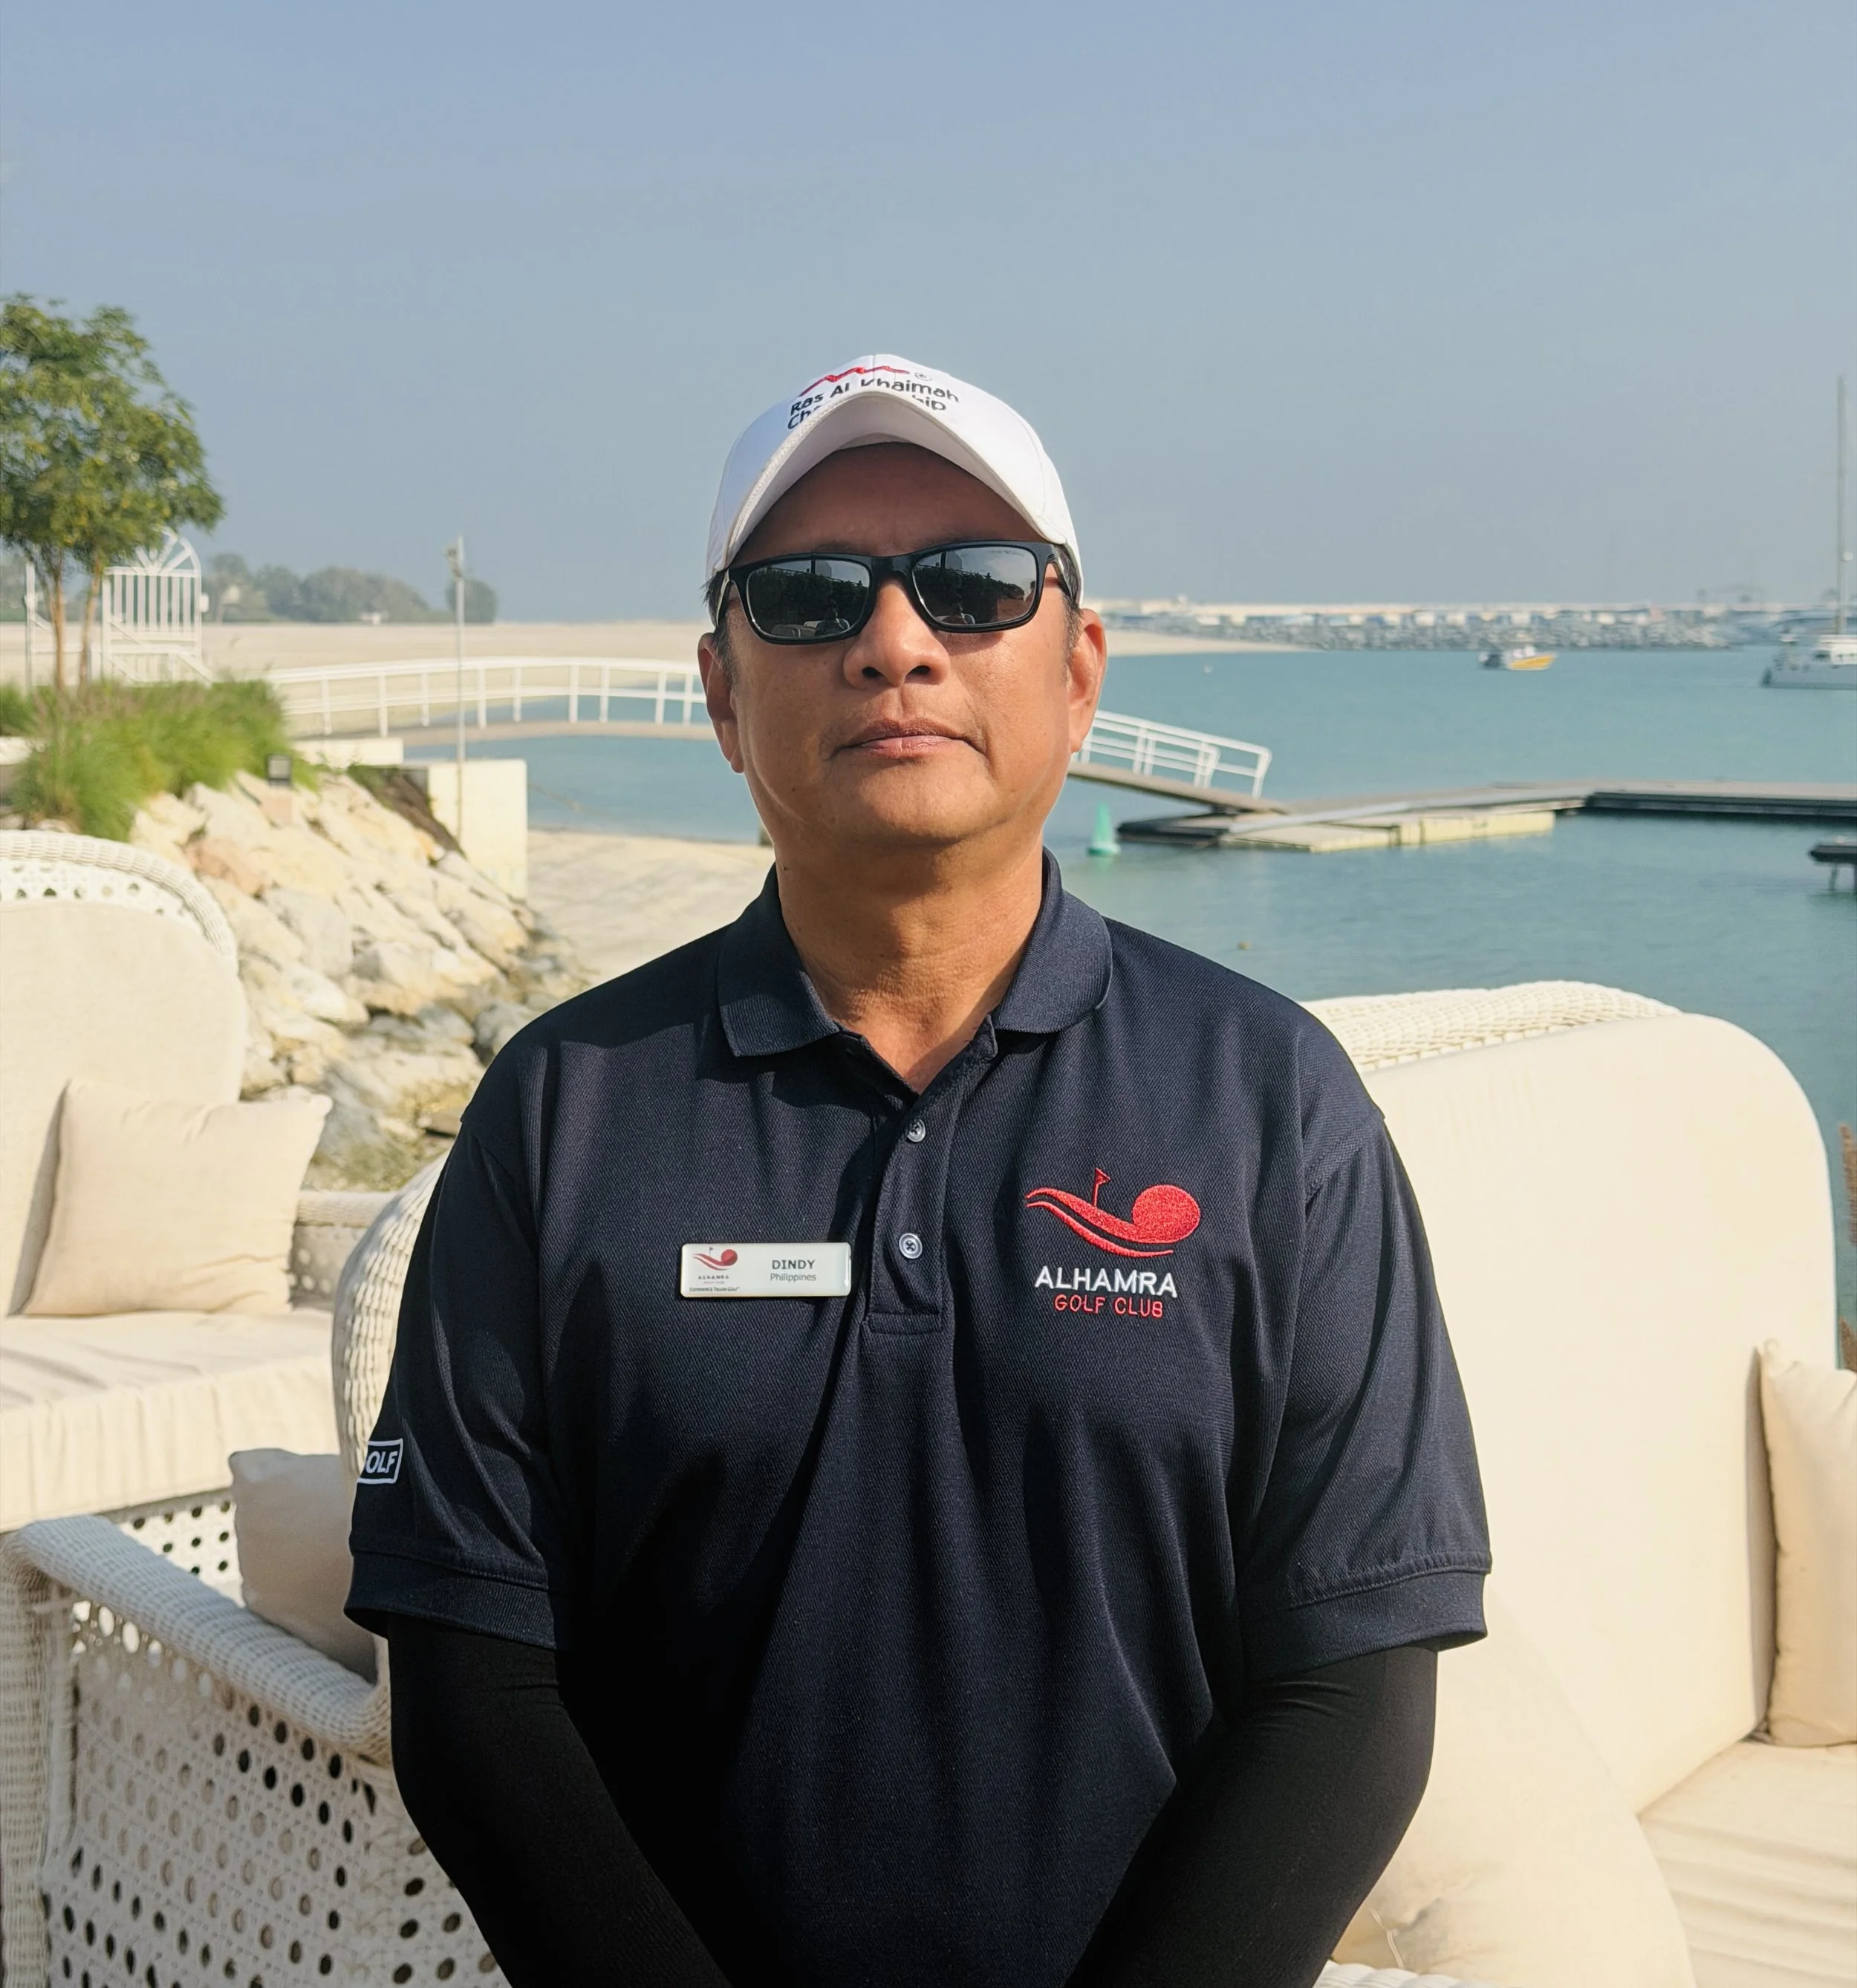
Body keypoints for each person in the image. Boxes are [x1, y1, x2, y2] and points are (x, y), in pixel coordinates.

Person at [347, 354, 1490, 1988]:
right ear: (724, 693)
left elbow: (1351, 1684)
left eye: (970, 587)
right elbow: (468, 1680)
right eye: (807, 598)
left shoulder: (1268, 1100)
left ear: (1079, 671)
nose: (894, 643)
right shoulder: (567, 1108)